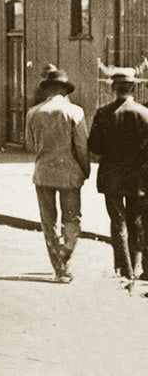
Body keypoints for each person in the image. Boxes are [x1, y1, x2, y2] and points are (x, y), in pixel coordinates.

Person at [25, 69, 89, 283]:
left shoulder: (33, 112)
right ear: (64, 90)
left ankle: (60, 268)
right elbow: (81, 146)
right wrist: (85, 169)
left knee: (48, 221)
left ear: (48, 90)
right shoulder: (75, 112)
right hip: (70, 174)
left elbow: (29, 144)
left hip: (42, 173)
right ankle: (66, 252)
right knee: (72, 218)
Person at [87, 67, 148, 282]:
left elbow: (94, 146)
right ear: (133, 87)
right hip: (137, 177)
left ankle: (124, 268)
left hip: (111, 175)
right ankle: (136, 264)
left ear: (113, 88)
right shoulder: (144, 113)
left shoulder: (103, 113)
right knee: (135, 221)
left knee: (117, 221)